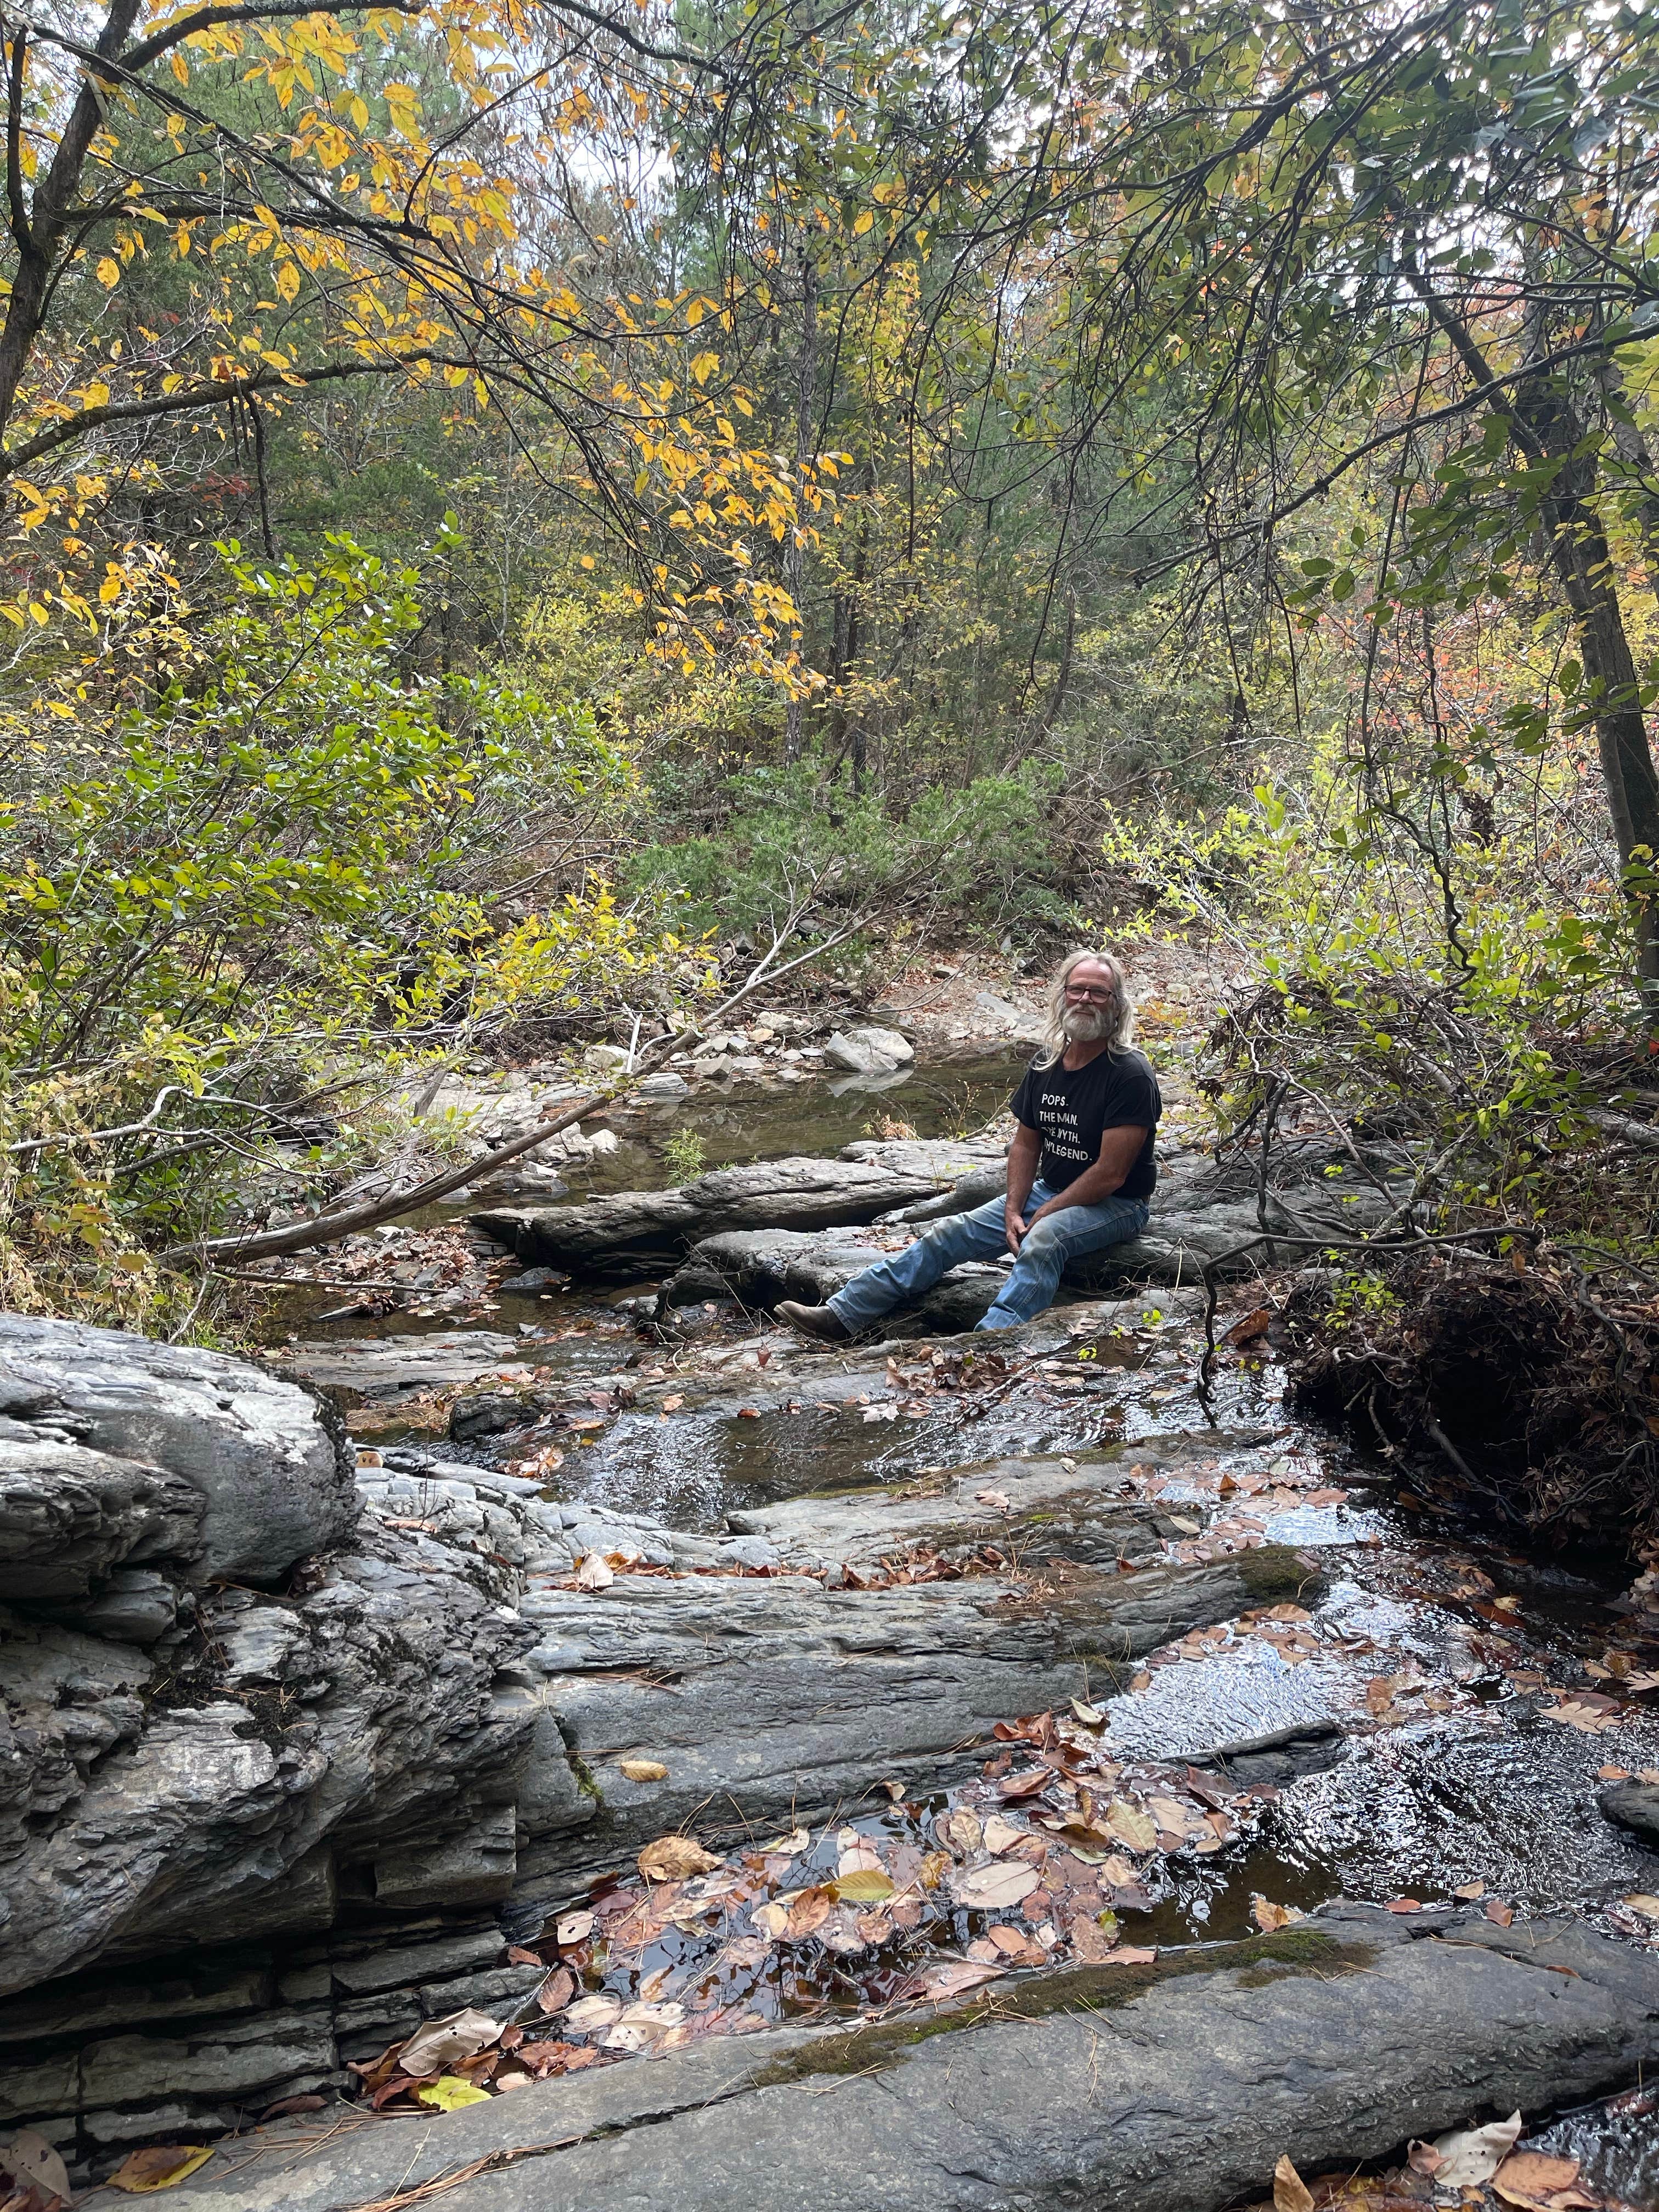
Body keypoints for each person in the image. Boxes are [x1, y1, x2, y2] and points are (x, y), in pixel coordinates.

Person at [777, 948, 1161, 1339]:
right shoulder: (1048, 1064)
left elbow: (1111, 1174)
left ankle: (987, 1345)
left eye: (1099, 993)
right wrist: (1015, 1208)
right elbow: (1026, 1146)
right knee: (949, 1233)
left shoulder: (1130, 1074)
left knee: (1044, 1239)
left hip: (1116, 1206)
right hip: (1050, 1191)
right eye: (1077, 989)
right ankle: (842, 1316)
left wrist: (1045, 1213)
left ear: (1117, 1006)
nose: (1085, 1000)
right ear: (1062, 996)